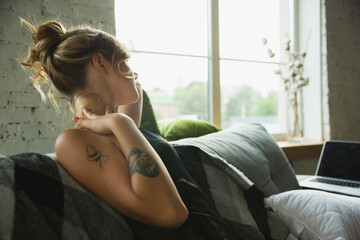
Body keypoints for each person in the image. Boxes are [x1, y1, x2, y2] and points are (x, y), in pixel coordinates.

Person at [20, 19, 263, 240]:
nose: (133, 72)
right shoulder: (75, 141)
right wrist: (119, 122)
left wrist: (121, 93)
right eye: (125, 62)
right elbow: (170, 214)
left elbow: (133, 108)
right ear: (99, 62)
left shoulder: (121, 131)